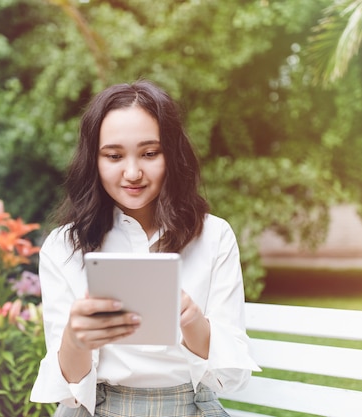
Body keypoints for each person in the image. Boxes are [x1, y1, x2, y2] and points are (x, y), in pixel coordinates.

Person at [30, 80, 259, 416]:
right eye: (113, 156)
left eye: (150, 153)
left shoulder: (214, 236)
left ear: (172, 155)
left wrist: (193, 321)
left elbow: (232, 377)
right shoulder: (63, 247)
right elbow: (70, 393)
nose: (133, 172)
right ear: (94, 160)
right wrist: (75, 340)